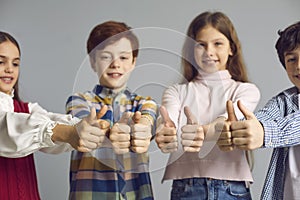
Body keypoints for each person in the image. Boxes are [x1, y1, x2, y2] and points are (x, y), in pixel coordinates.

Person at [155, 11, 260, 199]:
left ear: (232, 49)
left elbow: (227, 120)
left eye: (217, 43)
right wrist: (165, 130)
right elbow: (168, 119)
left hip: (232, 190)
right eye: (201, 45)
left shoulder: (246, 91)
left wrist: (204, 131)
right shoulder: (176, 92)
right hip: (187, 189)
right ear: (191, 51)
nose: (209, 52)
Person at [0, 31, 109, 200]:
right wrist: (66, 132)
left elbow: (50, 124)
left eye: (15, 64)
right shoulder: (13, 119)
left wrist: (82, 128)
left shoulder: (27, 109)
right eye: (1, 62)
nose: (9, 69)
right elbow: (8, 129)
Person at [65, 21, 158, 200]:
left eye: (123, 57)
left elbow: (149, 119)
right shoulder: (79, 101)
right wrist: (102, 130)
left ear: (133, 62)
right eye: (106, 57)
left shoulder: (144, 103)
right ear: (92, 61)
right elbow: (81, 123)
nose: (115, 64)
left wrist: (143, 128)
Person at [219, 21, 300, 200]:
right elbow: (261, 119)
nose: (299, 66)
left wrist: (263, 133)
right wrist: (237, 130)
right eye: (292, 59)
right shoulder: (284, 101)